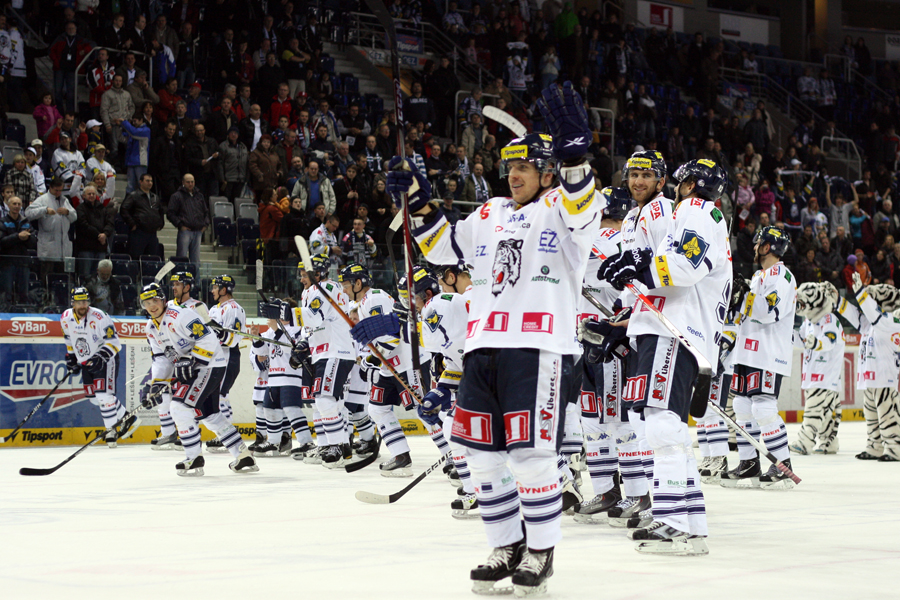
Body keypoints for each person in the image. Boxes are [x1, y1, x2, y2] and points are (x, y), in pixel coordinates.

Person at [388, 83, 598, 595]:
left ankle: (541, 551)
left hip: (539, 349)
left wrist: (576, 162)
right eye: (510, 167)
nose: (514, 175)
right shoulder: (489, 213)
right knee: (480, 458)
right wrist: (417, 199)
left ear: (547, 172)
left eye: (525, 167)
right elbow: (442, 249)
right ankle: (506, 545)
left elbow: (583, 209)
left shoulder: (563, 207)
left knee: (531, 457)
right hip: (482, 348)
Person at [595, 158, 730, 553]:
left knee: (662, 424)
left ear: (685, 184)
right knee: (664, 424)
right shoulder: (695, 212)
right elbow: (664, 276)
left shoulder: (696, 209)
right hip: (667, 327)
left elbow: (685, 266)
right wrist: (623, 323)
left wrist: (638, 265)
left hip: (676, 330)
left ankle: (673, 522)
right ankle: (688, 523)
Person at [139, 282, 258, 475]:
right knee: (210, 416)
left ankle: (194, 458)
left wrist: (192, 360)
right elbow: (161, 359)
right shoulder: (151, 328)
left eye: (155, 301)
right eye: (147, 303)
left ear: (163, 299)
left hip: (208, 365)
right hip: (198, 368)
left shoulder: (180, 315)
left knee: (179, 407)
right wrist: (156, 384)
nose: (152, 306)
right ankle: (243, 455)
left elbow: (208, 338)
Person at [572, 187, 639, 524]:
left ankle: (636, 494)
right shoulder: (615, 240)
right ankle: (609, 492)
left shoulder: (610, 239)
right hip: (591, 341)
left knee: (614, 420)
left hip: (607, 342)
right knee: (596, 420)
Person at [723, 226, 798, 489]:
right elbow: (744, 312)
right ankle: (749, 463)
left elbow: (768, 311)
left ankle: (783, 465)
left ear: (767, 247)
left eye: (758, 243)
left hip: (768, 353)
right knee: (742, 406)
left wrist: (744, 295)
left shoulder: (782, 276)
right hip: (746, 351)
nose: (754, 247)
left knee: (763, 409)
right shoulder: (758, 276)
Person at [289, 256, 356, 466]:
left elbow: (314, 317)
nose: (301, 279)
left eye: (304, 275)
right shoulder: (311, 291)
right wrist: (304, 343)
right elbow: (313, 325)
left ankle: (335, 446)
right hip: (324, 352)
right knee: (327, 402)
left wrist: (286, 313)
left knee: (324, 399)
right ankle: (339, 445)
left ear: (317, 274)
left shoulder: (326, 288)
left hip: (335, 351)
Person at [62, 287, 139, 447]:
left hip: (106, 360)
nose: (82, 305)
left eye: (85, 301)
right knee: (94, 399)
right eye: (79, 302)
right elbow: (69, 339)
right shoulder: (65, 317)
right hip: (86, 361)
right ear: (72, 303)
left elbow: (114, 342)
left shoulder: (100, 317)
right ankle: (127, 417)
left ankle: (111, 432)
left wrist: (101, 357)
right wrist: (71, 357)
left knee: (104, 396)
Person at [790, 282, 845, 456]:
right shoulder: (808, 321)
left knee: (813, 409)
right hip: (813, 373)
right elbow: (801, 340)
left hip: (825, 374)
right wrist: (786, 333)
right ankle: (829, 442)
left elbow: (829, 341)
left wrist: (816, 343)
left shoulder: (829, 319)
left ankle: (804, 442)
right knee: (825, 412)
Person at [849, 273, 900, 462]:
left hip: (885, 378)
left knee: (887, 414)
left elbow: (872, 313)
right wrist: (837, 302)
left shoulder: (891, 321)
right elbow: (855, 315)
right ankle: (875, 446)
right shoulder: (873, 323)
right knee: (871, 415)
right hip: (871, 378)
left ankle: (894, 448)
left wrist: (861, 293)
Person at [204, 274, 246, 452]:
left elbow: (232, 340)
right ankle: (224, 434)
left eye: (215, 287)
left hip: (229, 357)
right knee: (218, 395)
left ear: (224, 289)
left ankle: (225, 436)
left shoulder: (234, 309)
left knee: (220, 395)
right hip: (215, 357)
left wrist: (220, 333)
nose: (212, 290)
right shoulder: (214, 309)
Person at [24, 178, 77, 277]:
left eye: (60, 190)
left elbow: (74, 217)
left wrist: (67, 212)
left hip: (64, 248)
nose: (58, 193)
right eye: (56, 190)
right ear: (51, 188)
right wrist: (45, 210)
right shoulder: (42, 199)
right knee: (47, 276)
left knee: (64, 277)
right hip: (48, 248)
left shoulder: (64, 200)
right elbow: (28, 213)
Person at [73, 182, 114, 279]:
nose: (91, 195)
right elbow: (83, 225)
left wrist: (105, 234)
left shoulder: (102, 208)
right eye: (89, 194)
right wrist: (99, 235)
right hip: (86, 248)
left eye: (93, 194)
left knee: (99, 276)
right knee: (85, 275)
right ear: (84, 196)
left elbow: (110, 223)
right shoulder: (80, 208)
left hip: (100, 247)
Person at [0, 196, 36, 305]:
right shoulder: (3, 222)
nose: (16, 206)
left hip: (23, 263)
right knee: (6, 293)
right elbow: (2, 242)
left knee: (24, 294)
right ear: (8, 206)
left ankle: (23, 311)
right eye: (14, 204)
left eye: (19, 204)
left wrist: (27, 238)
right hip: (7, 263)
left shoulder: (26, 222)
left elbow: (34, 242)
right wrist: (18, 237)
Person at [167, 173, 209, 266]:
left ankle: (195, 276)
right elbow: (170, 213)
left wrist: (205, 224)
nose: (190, 184)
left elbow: (206, 212)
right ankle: (180, 275)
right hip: (185, 231)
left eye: (192, 182)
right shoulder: (177, 196)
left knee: (196, 260)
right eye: (188, 182)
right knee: (181, 258)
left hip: (198, 231)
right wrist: (180, 225)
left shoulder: (199, 196)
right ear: (183, 182)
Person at [120, 173, 164, 259]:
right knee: (136, 257)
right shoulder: (133, 195)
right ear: (141, 182)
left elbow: (161, 211)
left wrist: (161, 223)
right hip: (139, 232)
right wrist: (132, 223)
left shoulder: (155, 197)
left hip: (152, 233)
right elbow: (123, 209)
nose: (150, 183)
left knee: (151, 258)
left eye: (151, 181)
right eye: (147, 181)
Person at [183, 123, 219, 199]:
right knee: (200, 196)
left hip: (212, 174)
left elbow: (220, 153)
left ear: (204, 130)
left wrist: (217, 155)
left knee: (214, 196)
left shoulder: (212, 141)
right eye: (197, 131)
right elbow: (187, 159)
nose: (200, 132)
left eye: (201, 130)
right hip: (199, 175)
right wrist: (199, 162)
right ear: (194, 132)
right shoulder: (190, 143)